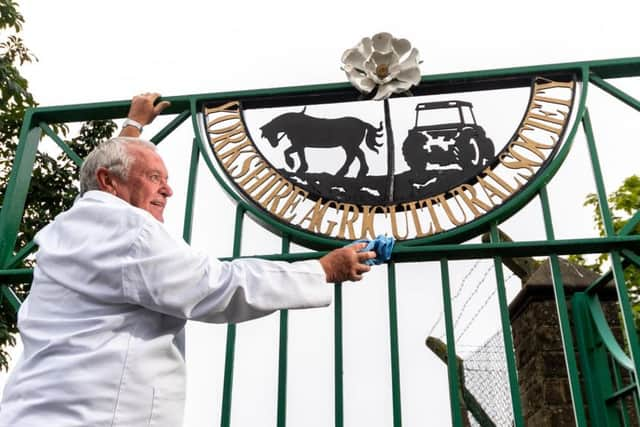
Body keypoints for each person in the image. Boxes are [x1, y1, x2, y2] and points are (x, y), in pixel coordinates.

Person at [0, 93, 378, 426]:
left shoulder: (71, 227)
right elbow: (219, 288)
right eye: (154, 177)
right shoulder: (128, 229)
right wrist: (322, 270)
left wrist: (132, 127)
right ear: (111, 182)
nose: (168, 189)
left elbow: (100, 177)